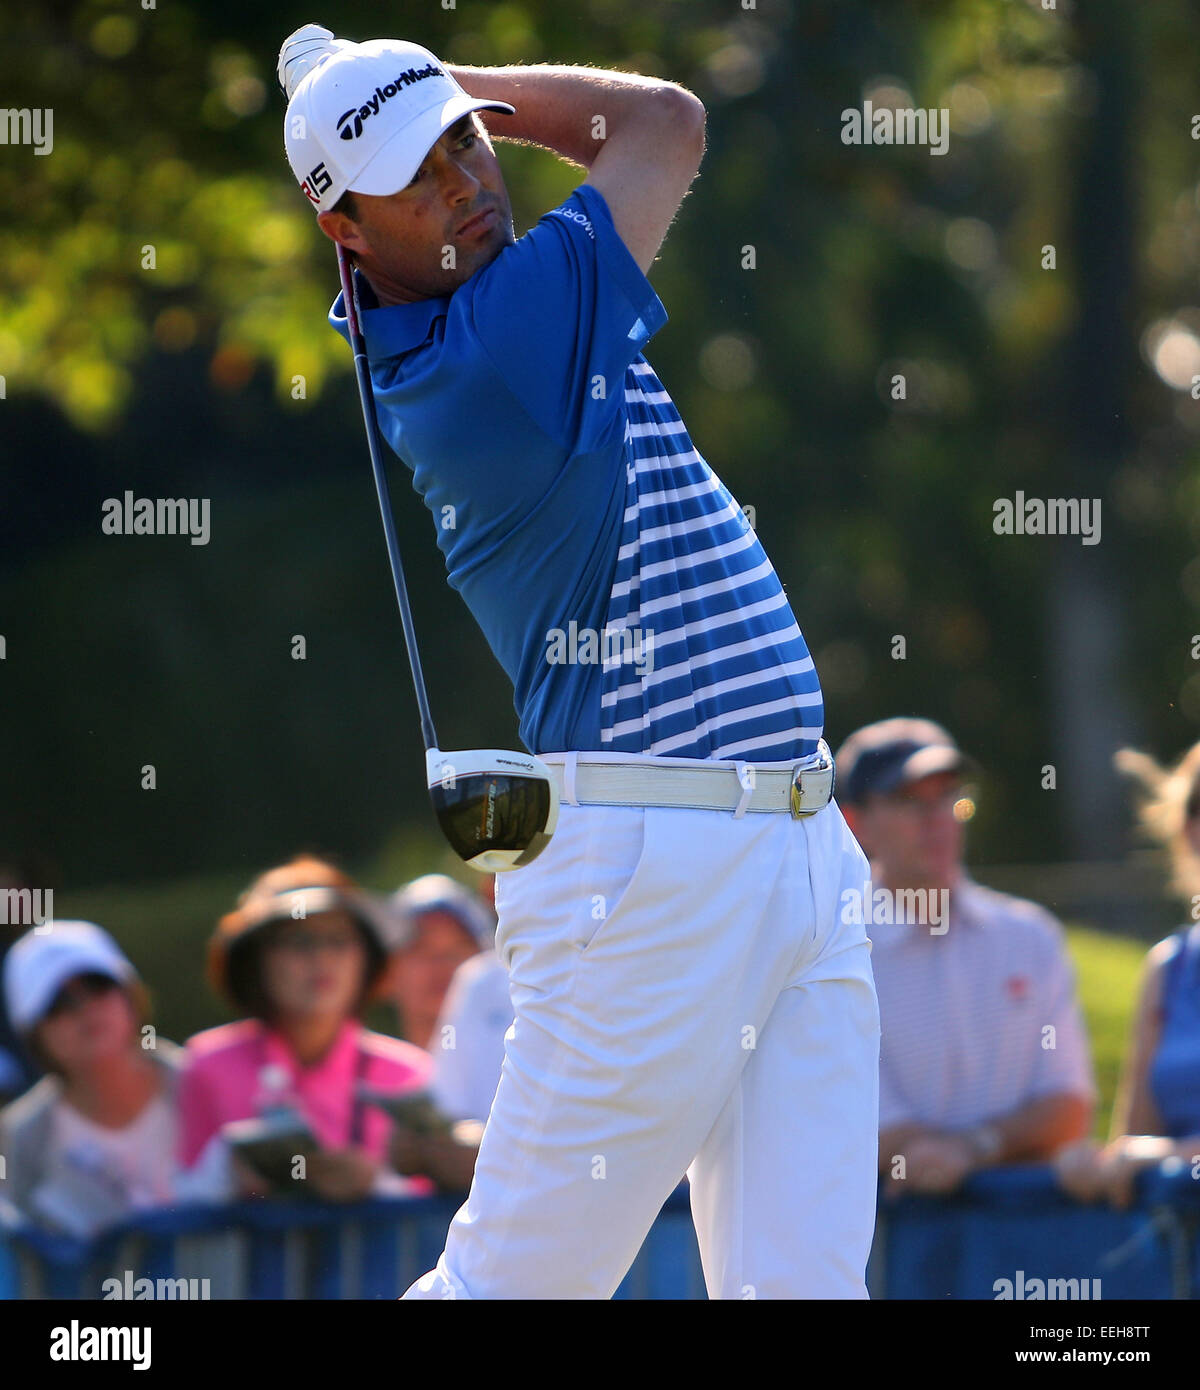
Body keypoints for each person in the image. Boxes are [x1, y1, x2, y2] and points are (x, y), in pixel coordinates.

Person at [276, 27, 881, 1300]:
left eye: (464, 142)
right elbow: (663, 122)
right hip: (653, 873)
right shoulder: (497, 342)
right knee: (513, 1287)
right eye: (419, 169)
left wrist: (428, 96)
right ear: (344, 229)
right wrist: (474, 81)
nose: (467, 180)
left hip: (795, 840)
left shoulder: (484, 308)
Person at [837, 717, 1096, 1199]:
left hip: (1017, 1238)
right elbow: (850, 1123)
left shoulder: (1030, 936)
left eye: (947, 796)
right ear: (856, 823)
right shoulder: (833, 949)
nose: (937, 817)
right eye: (909, 800)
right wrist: (939, 1151)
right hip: (877, 1250)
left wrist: (969, 1149)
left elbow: (1069, 1107)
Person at [178, 855, 438, 1203]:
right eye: (298, 941)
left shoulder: (409, 1073)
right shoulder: (207, 1064)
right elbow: (178, 1196)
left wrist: (375, 1183)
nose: (321, 958)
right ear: (255, 960)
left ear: (367, 958)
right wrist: (229, 1175)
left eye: (338, 940)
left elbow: (442, 1216)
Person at [1055, 744, 1200, 1208]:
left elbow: (1149, 1153)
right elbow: (1134, 1143)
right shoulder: (1170, 968)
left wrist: (1172, 1156)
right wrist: (1090, 1165)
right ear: (1191, 834)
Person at [0, 922, 182, 1238]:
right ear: (33, 1034)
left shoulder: (202, 1081)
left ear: (129, 994)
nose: (84, 1008)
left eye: (97, 984)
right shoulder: (21, 1135)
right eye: (56, 1002)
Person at [384, 873, 496, 1051]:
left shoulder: (521, 1070)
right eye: (421, 949)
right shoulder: (361, 1076)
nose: (442, 966)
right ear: (386, 972)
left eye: (458, 949)